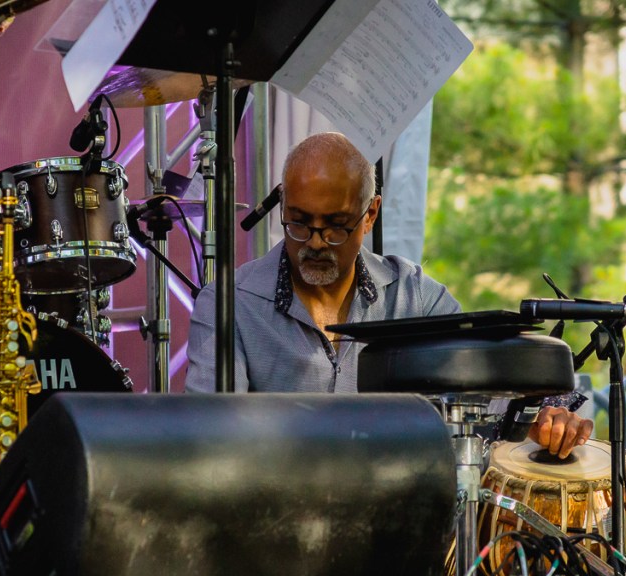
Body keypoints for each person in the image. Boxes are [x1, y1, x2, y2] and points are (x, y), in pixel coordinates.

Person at [186, 132, 593, 457]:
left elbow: (488, 396)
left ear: (371, 214)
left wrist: (545, 416)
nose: (315, 242)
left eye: (336, 226)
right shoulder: (228, 306)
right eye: (299, 222)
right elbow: (212, 440)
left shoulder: (415, 297)